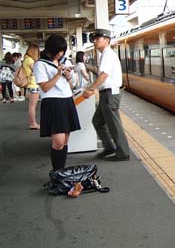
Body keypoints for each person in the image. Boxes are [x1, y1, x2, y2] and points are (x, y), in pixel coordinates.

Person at [33, 35, 80, 172]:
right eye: (58, 51)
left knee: (65, 140)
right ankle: (57, 173)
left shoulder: (64, 61)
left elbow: (71, 85)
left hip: (67, 101)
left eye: (63, 51)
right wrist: (58, 74)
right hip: (52, 102)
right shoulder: (40, 64)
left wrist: (69, 76)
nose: (61, 54)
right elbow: (45, 87)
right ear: (50, 49)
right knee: (58, 141)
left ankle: (61, 171)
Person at [82, 29, 131, 161]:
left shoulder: (108, 54)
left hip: (110, 94)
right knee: (98, 121)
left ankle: (123, 153)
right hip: (106, 94)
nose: (95, 41)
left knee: (114, 125)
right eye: (95, 39)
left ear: (107, 40)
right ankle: (109, 147)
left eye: (98, 38)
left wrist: (91, 88)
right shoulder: (105, 54)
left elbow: (104, 75)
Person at [23, 44, 41, 129]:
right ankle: (33, 124)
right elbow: (36, 70)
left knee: (32, 106)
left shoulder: (26, 59)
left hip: (31, 85)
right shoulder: (29, 60)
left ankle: (33, 123)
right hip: (33, 84)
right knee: (32, 106)